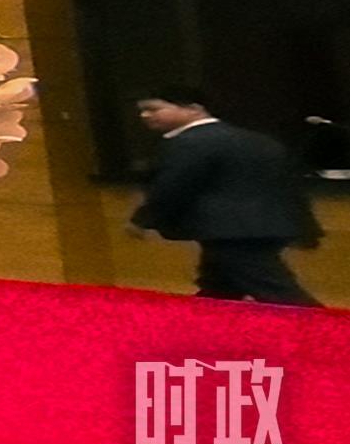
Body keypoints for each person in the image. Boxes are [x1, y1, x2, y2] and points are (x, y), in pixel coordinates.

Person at [131, 86, 323, 306]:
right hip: (269, 225)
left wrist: (143, 219)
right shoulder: (260, 140)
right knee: (220, 289)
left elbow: (173, 186)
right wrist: (306, 227)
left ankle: (328, 328)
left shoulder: (190, 142)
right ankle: (199, 323)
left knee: (280, 294)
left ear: (194, 109)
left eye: (153, 109)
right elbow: (290, 186)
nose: (145, 115)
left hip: (230, 232)